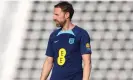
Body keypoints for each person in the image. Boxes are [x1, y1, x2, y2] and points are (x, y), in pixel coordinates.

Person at [40, 1, 92, 80]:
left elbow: (87, 62)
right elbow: (48, 61)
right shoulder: (53, 35)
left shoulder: (81, 34)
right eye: (54, 14)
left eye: (57, 15)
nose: (54, 18)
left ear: (67, 15)